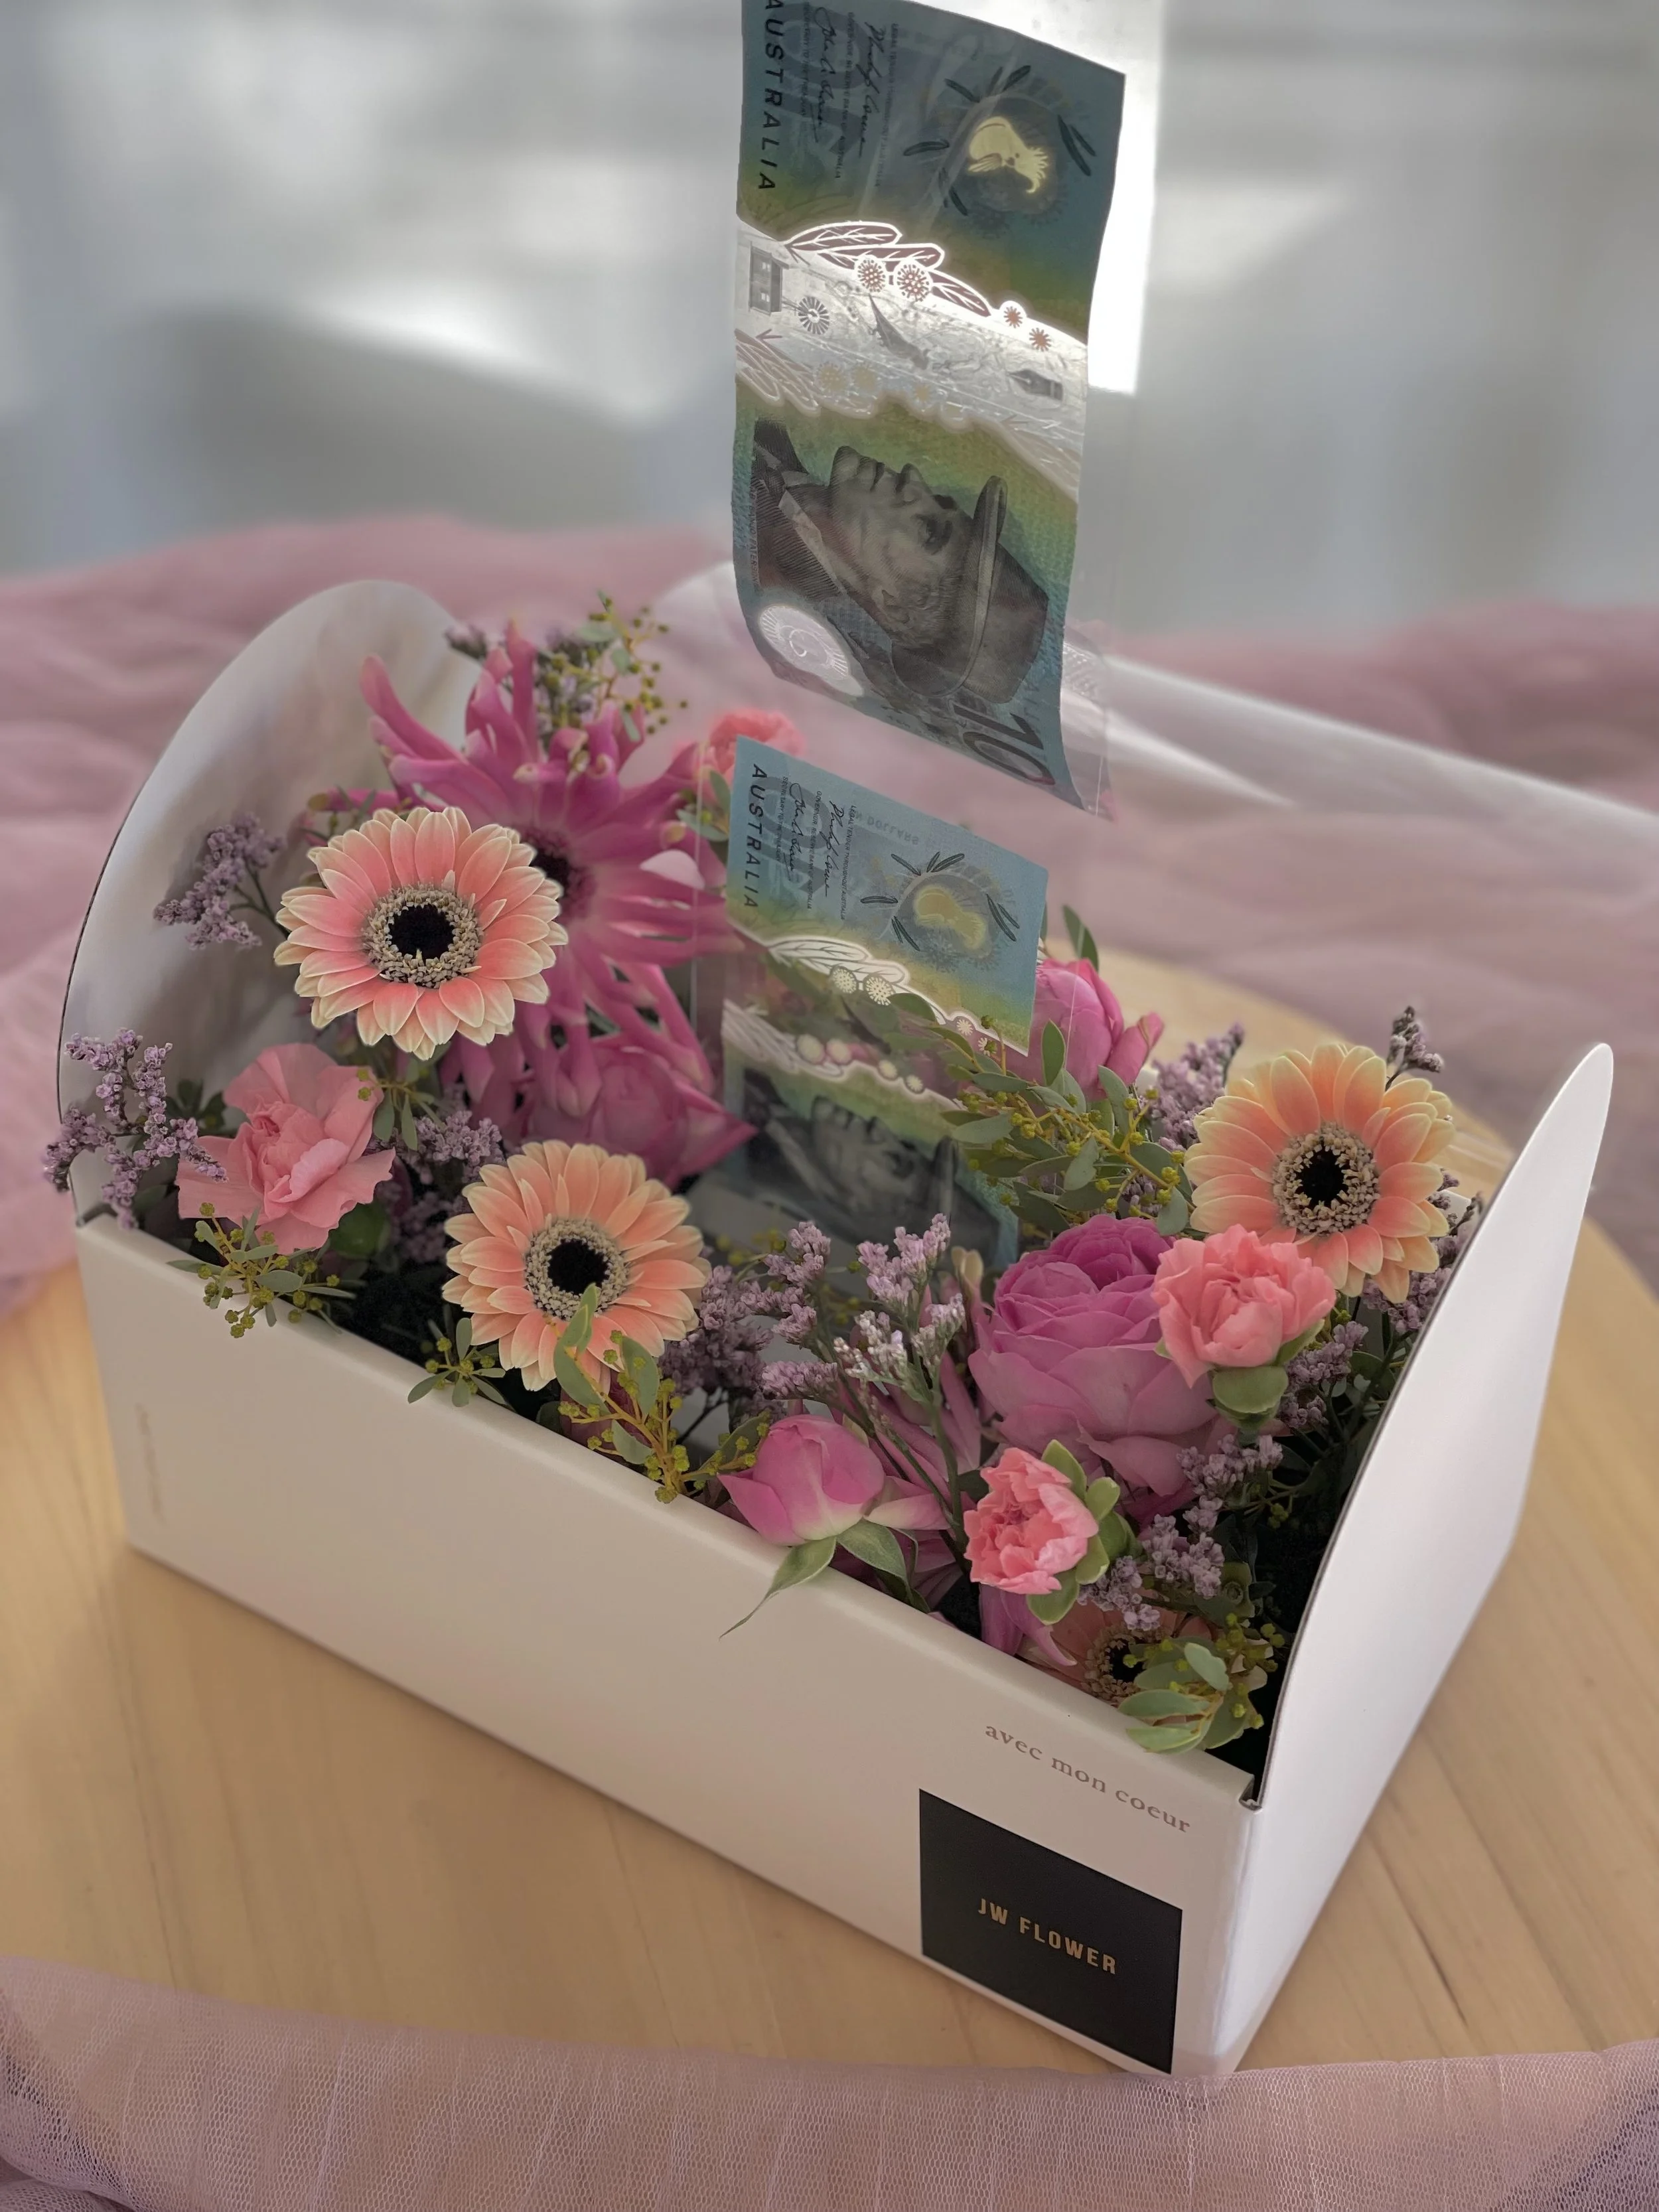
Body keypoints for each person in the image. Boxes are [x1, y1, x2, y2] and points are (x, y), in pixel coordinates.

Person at [749, 419, 1048, 708]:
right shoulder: (774, 452)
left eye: (929, 530)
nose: (913, 477)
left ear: (892, 606)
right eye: (940, 500)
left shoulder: (760, 567)